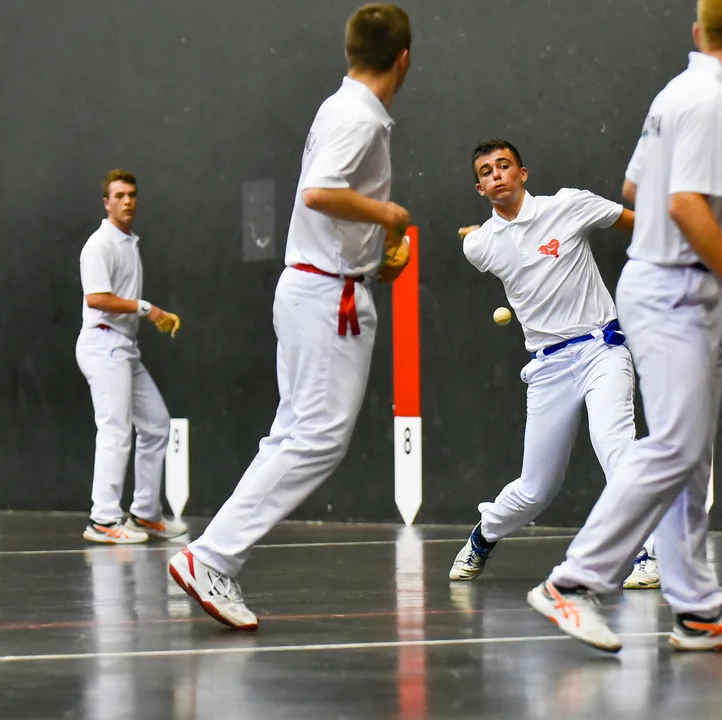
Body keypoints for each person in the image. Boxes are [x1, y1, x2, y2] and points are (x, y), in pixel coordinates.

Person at [526, 0, 722, 652]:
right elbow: (683, 205)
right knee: (675, 446)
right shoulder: (713, 101)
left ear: (698, 32)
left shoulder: (677, 92)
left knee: (689, 454)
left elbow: (636, 188)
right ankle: (572, 583)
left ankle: (698, 609)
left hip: (669, 286)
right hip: (674, 292)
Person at [168, 3, 413, 630]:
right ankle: (211, 557)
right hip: (325, 298)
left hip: (323, 287)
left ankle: (212, 556)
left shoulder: (342, 106)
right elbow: (319, 192)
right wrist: (389, 217)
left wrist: (371, 254)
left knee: (294, 435)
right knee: (316, 438)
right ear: (404, 60)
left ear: (349, 51)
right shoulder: (359, 115)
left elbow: (329, 200)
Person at [450, 140, 660, 590]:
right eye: (486, 172)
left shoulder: (569, 205)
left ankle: (647, 553)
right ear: (480, 188)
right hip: (547, 368)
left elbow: (637, 224)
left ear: (523, 173)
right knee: (536, 489)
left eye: (504, 166)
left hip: (602, 350)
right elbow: (491, 238)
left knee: (615, 447)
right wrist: (477, 231)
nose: (497, 175)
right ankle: (484, 535)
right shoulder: (480, 246)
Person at [76, 169, 187, 544]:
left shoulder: (128, 242)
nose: (127, 201)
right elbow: (96, 298)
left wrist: (147, 313)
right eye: (119, 195)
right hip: (102, 344)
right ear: (106, 202)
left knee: (156, 425)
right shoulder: (99, 244)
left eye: (132, 195)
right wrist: (147, 309)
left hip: (124, 347)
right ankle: (103, 520)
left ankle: (144, 514)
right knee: (115, 430)